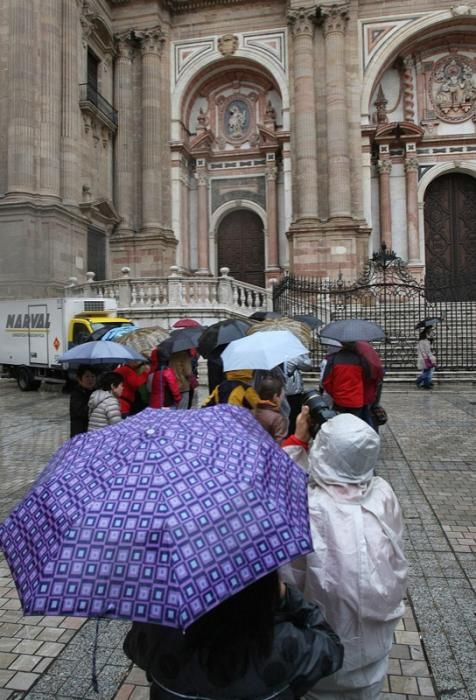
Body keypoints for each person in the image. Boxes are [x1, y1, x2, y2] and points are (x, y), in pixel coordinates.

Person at [281, 411, 408, 700]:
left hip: (319, 653)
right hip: (374, 651)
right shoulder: (382, 496)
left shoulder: (310, 505)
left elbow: (273, 486)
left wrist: (298, 439)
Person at [123, 571, 344, 700]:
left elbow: (132, 648)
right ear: (263, 592)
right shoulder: (285, 645)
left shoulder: (159, 632)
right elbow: (332, 649)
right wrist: (288, 597)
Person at [321, 342, 370, 419]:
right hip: (356, 400)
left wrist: (334, 393)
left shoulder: (333, 359)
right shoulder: (361, 359)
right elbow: (367, 378)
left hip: (339, 399)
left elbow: (326, 381)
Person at [283, 353, 313, 435]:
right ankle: (292, 434)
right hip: (292, 392)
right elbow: (307, 365)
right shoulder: (293, 355)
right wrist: (304, 354)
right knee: (293, 416)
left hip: (278, 390)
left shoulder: (272, 355)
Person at [253, 375, 289, 444]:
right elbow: (279, 443)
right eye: (282, 395)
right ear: (275, 397)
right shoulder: (277, 418)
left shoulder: (250, 412)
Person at [69, 365, 96, 437]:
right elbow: (80, 412)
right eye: (87, 376)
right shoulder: (76, 394)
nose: (90, 379)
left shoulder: (96, 392)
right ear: (79, 379)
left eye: (93, 376)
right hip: (80, 433)